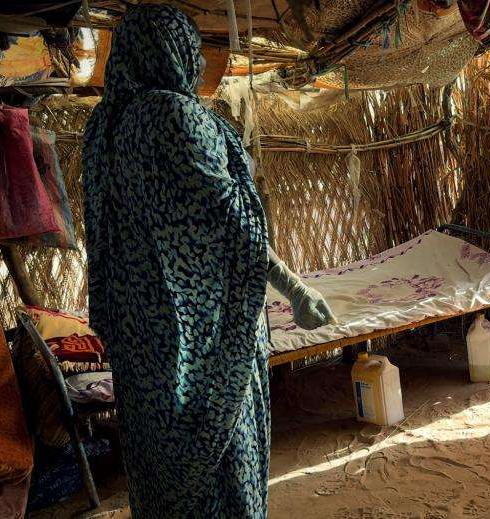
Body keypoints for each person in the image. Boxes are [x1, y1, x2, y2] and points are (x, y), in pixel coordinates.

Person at [82, 5, 336, 518]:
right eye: (192, 49)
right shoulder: (175, 117)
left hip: (141, 341)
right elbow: (237, 228)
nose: (197, 61)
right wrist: (297, 290)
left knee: (161, 470)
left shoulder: (101, 130)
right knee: (223, 463)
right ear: (176, 52)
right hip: (201, 345)